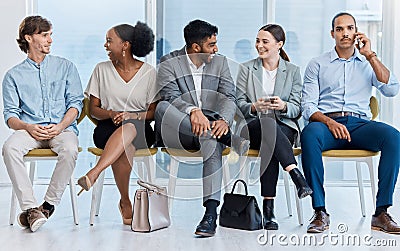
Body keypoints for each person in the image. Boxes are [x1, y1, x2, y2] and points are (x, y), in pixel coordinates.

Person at [301, 12, 400, 234]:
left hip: (359, 125)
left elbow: (392, 89)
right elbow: (308, 106)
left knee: (393, 137)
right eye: (340, 29)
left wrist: (370, 55)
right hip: (327, 125)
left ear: (356, 32)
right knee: (309, 134)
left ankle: (381, 213)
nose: (345, 33)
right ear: (332, 33)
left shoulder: (368, 63)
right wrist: (329, 122)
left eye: (350, 28)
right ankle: (320, 212)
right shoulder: (317, 64)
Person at [155, 19, 249, 237]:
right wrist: (192, 111)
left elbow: (228, 95)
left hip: (211, 131)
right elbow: (170, 97)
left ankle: (210, 214)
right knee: (161, 107)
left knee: (210, 140)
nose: (216, 49)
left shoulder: (220, 62)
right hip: (179, 130)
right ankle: (229, 139)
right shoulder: (169, 62)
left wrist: (224, 120)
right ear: (195, 47)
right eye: (211, 45)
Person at [2, 16, 83, 232]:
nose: (50, 40)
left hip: (61, 128)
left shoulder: (66, 67)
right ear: (29, 38)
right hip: (30, 131)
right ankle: (30, 208)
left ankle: (47, 206)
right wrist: (28, 127)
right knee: (10, 148)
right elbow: (10, 116)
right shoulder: (13, 76)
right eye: (44, 35)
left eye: (50, 35)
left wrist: (60, 126)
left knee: (70, 148)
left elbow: (76, 105)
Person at [77, 22, 157, 225]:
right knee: (125, 144)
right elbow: (93, 109)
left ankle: (95, 174)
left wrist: (131, 115)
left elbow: (153, 112)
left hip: (140, 127)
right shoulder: (101, 70)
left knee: (129, 128)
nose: (105, 45)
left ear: (125, 45)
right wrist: (112, 113)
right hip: (107, 127)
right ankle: (125, 201)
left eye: (109, 41)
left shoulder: (148, 72)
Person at [236, 24, 312, 230]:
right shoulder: (246, 68)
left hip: (283, 126)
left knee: (269, 140)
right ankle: (296, 174)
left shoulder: (293, 71)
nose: (259, 45)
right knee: (266, 124)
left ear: (279, 44)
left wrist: (284, 106)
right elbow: (237, 104)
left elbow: (297, 108)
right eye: (257, 41)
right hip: (253, 126)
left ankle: (268, 211)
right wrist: (254, 106)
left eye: (265, 41)